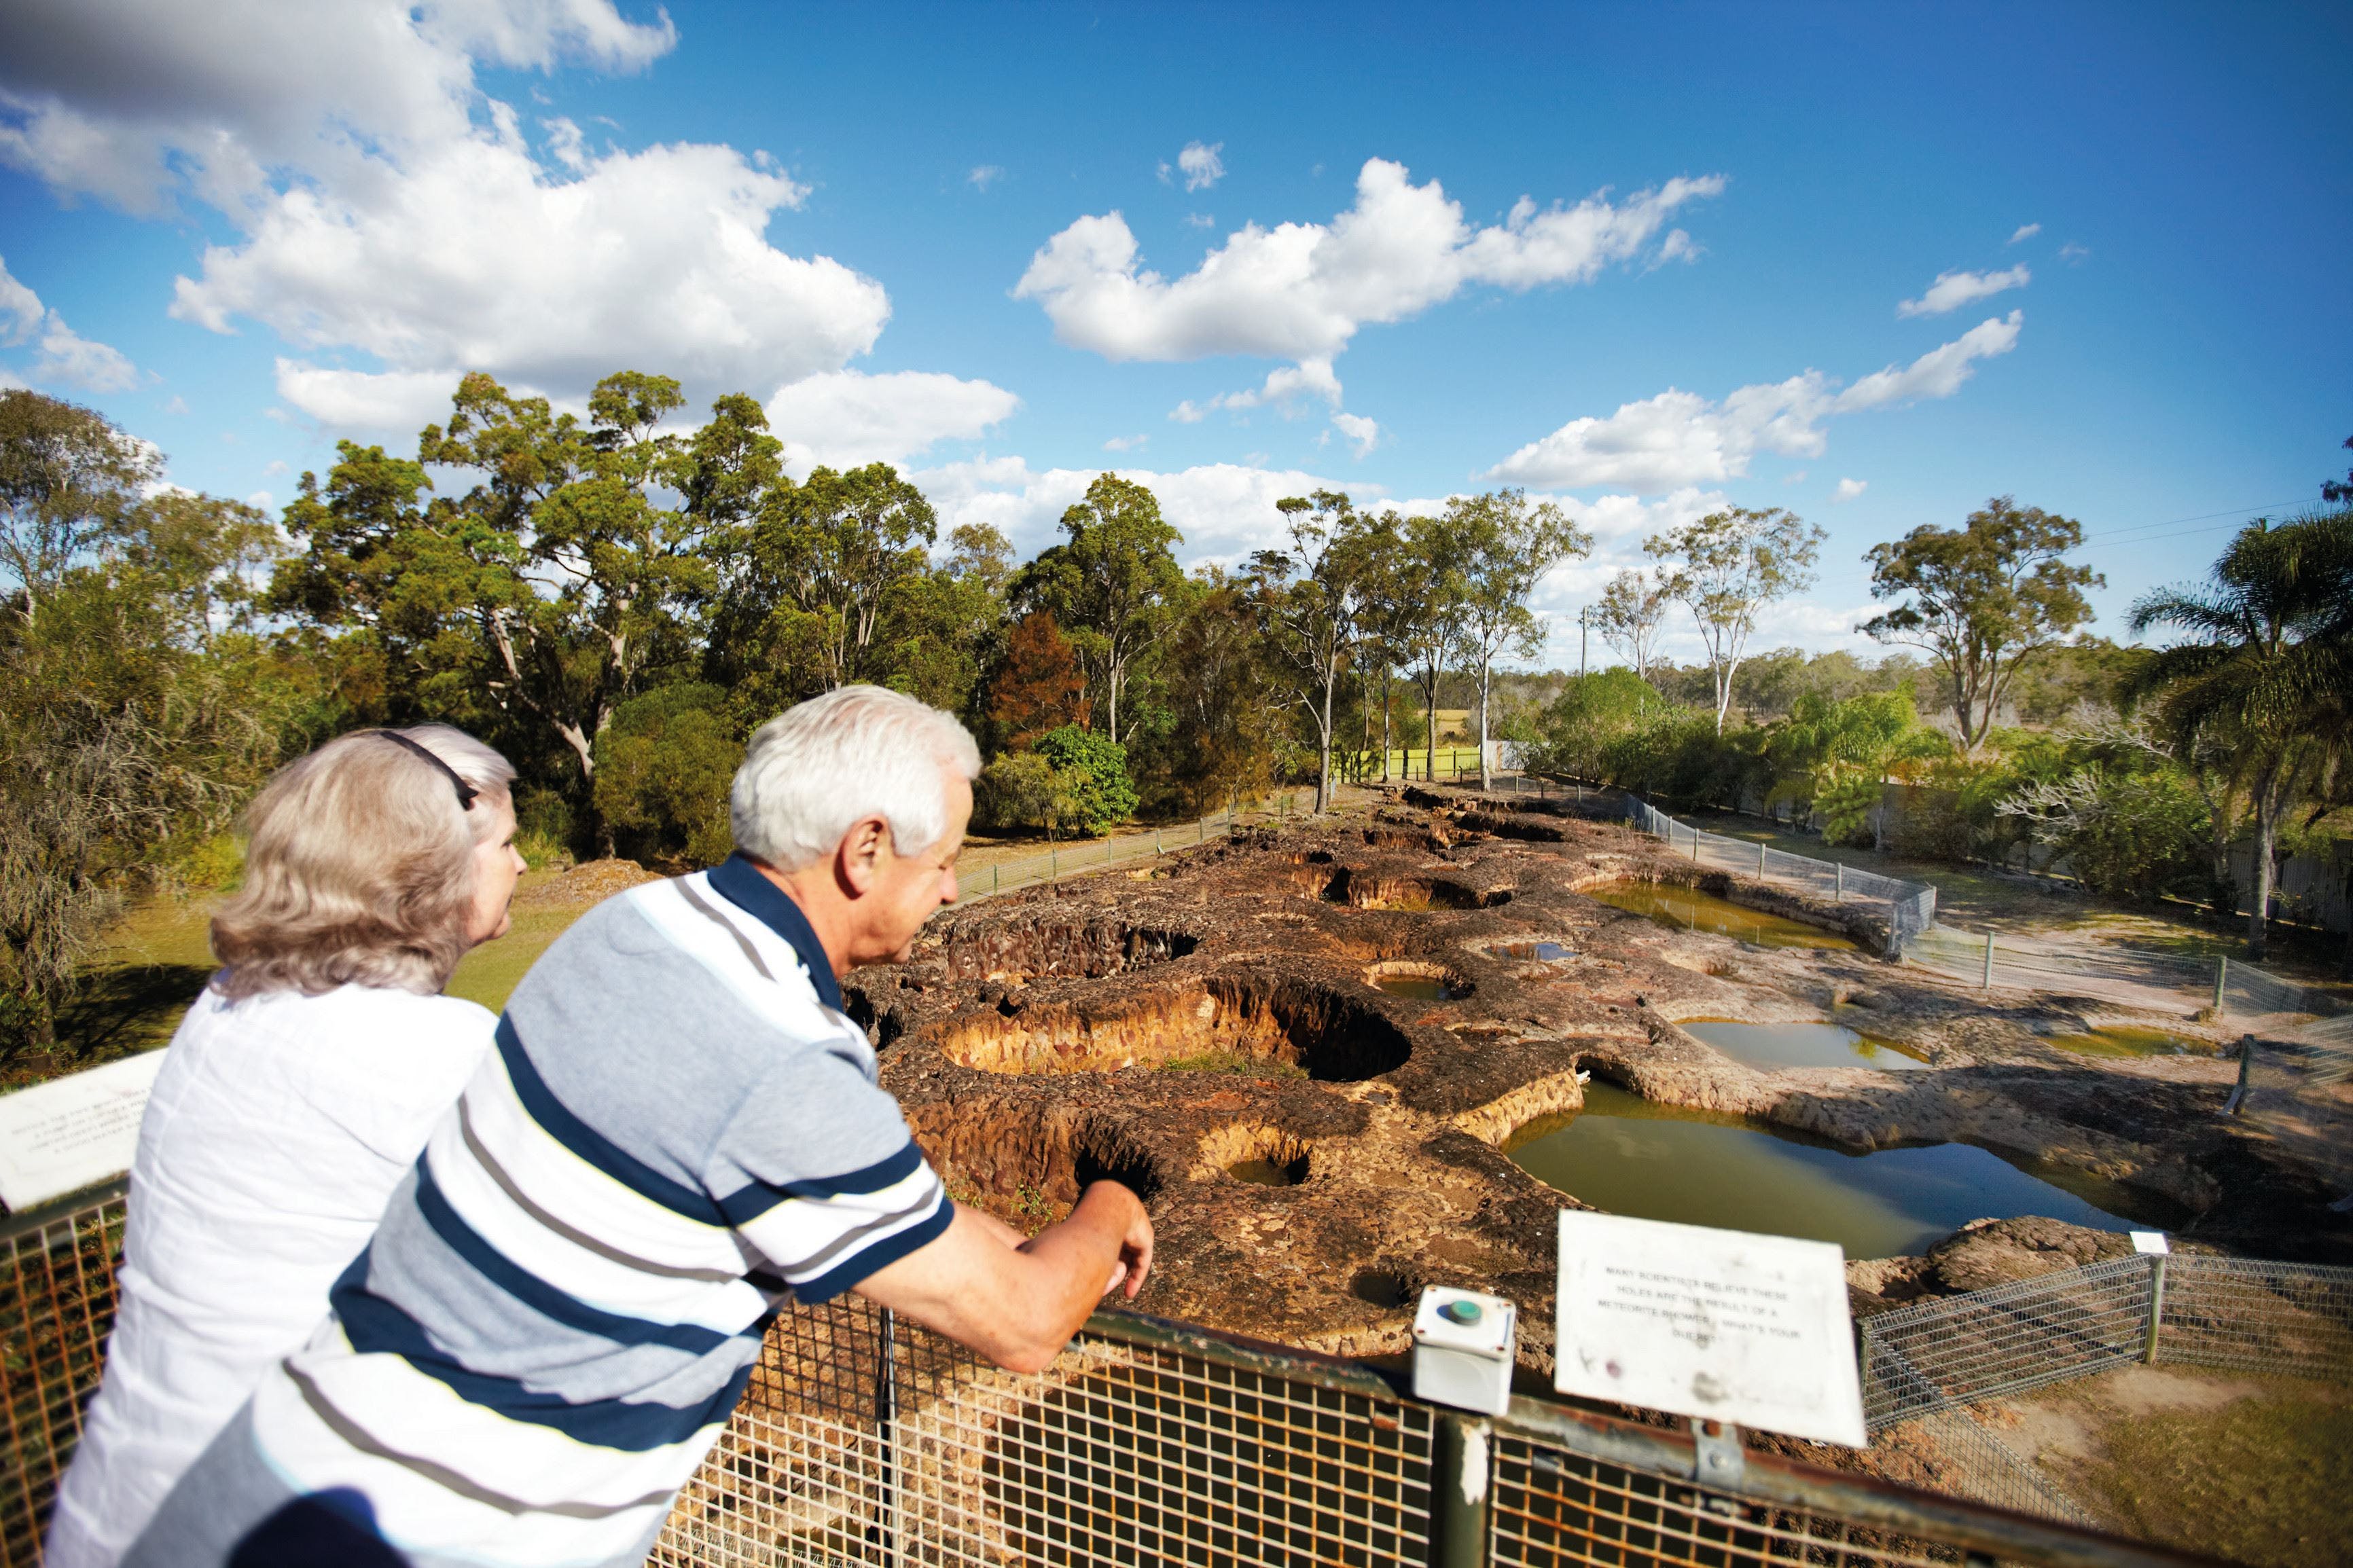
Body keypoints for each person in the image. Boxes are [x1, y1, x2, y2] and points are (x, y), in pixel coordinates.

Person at [129, 685, 1154, 1568]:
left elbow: (895, 1220)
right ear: (866, 848)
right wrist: (1110, 1204)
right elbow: (1020, 1323)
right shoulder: (781, 1052)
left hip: (256, 1490)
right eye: (946, 859)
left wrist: (979, 1225)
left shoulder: (634, 926)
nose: (951, 886)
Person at [46, 727, 528, 1568]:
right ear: (433, 866)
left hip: (117, 1511)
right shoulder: (435, 1050)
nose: (522, 866)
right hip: (273, 1524)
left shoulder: (226, 1006)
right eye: (507, 843)